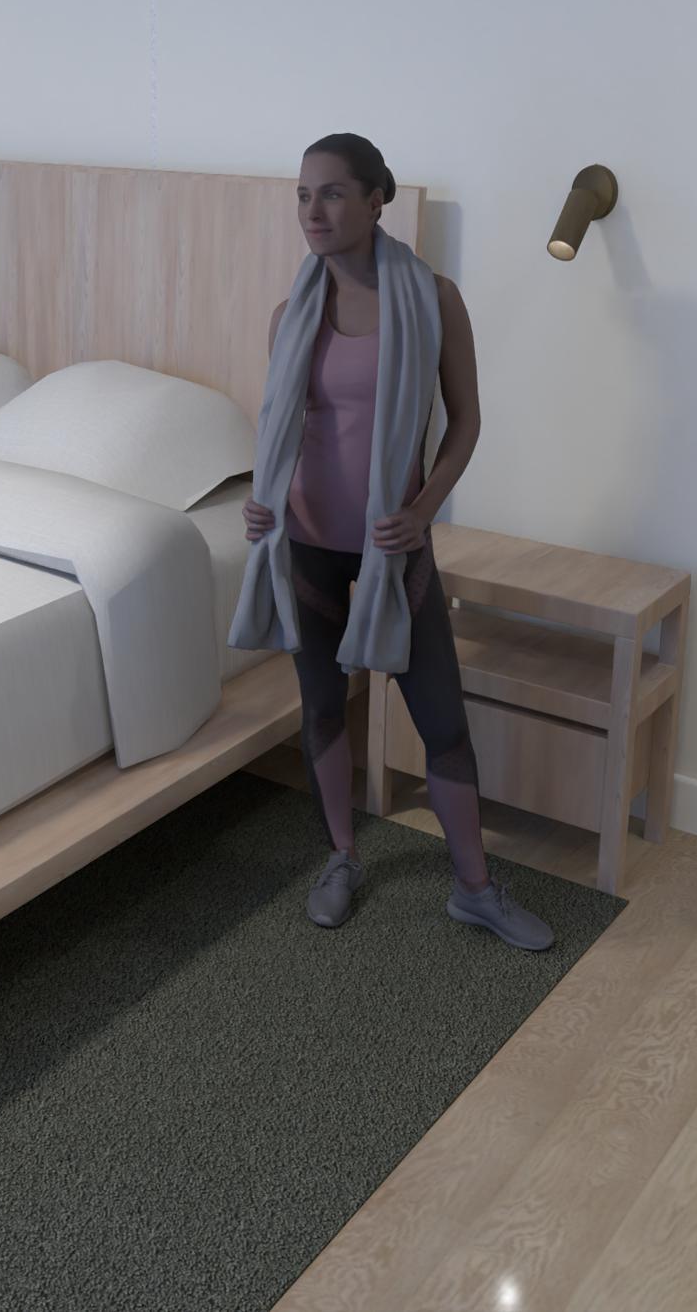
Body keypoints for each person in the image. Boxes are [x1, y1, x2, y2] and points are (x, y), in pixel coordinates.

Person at [229, 133, 553, 950]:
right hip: (306, 543)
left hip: (394, 549)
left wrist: (424, 510)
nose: (314, 211)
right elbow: (284, 433)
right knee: (323, 709)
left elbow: (465, 421)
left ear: (378, 201)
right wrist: (261, 503)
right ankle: (341, 857)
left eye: (334, 193)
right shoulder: (289, 317)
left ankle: (474, 888)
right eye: (304, 195)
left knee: (441, 721)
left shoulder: (433, 299)